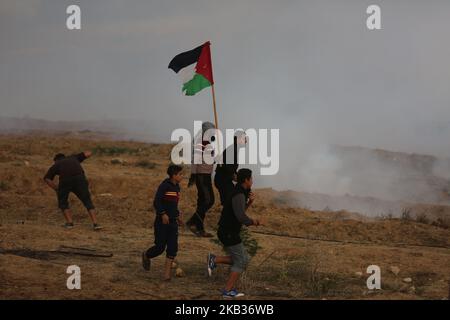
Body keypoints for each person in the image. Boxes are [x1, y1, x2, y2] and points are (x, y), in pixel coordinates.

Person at [207, 168, 261, 298]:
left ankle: (214, 259)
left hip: (228, 231)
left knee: (243, 259)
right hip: (228, 232)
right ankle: (227, 290)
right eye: (251, 179)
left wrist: (250, 203)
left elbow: (239, 211)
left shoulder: (240, 192)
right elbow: (241, 217)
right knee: (241, 261)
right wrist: (254, 222)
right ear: (246, 180)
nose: (252, 181)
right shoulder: (239, 194)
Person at [142, 164, 184, 281]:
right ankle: (146, 255)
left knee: (172, 248)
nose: (182, 176)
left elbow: (174, 205)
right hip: (162, 222)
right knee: (160, 247)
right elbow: (157, 202)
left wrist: (178, 216)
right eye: (180, 174)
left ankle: (166, 275)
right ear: (173, 175)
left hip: (173, 223)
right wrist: (162, 214)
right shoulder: (164, 186)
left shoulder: (177, 188)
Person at [43, 151, 101, 230]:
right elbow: (88, 153)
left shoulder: (56, 164)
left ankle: (70, 223)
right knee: (87, 201)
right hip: (80, 179)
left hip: (65, 180)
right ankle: (96, 223)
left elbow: (47, 178)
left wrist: (56, 189)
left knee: (63, 202)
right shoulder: (73, 157)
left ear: (56, 160)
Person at [186, 121, 215, 238]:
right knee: (208, 201)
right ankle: (192, 222)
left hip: (206, 176)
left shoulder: (207, 143)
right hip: (202, 176)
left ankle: (199, 228)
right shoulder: (200, 143)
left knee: (203, 202)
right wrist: (193, 175)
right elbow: (195, 160)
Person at [214, 130, 247, 206]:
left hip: (225, 180)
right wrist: (234, 175)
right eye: (244, 138)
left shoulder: (234, 149)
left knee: (229, 203)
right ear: (237, 139)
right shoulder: (232, 150)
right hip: (223, 180)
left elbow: (230, 167)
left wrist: (235, 174)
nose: (245, 141)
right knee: (229, 203)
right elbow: (225, 166)